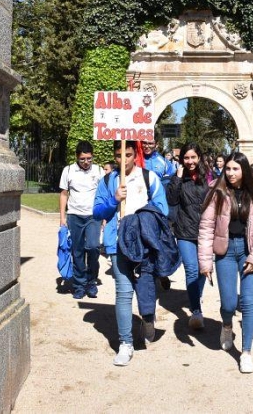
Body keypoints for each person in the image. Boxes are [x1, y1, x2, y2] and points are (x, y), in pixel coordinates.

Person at [93, 140, 168, 367]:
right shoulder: (107, 181)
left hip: (144, 244)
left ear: (135, 154)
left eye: (127, 154)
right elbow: (97, 211)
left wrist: (140, 219)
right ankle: (126, 342)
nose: (123, 160)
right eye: (118, 155)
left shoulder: (149, 178)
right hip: (117, 245)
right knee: (123, 293)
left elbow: (162, 208)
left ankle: (147, 319)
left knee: (146, 289)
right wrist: (114, 200)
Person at [198, 152, 253, 374]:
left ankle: (246, 352)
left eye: (235, 169)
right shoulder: (217, 193)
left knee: (248, 302)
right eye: (227, 169)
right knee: (229, 303)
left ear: (244, 171)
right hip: (225, 252)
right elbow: (206, 228)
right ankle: (227, 325)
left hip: (248, 252)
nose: (230, 173)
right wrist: (205, 263)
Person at [166, 142, 210, 329]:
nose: (190, 161)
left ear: (199, 157)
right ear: (181, 159)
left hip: (205, 231)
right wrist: (177, 177)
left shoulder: (209, 176)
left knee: (202, 270)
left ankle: (195, 298)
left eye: (193, 157)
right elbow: (172, 199)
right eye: (186, 157)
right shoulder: (178, 178)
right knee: (191, 269)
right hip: (184, 230)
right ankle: (196, 310)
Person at [59, 140, 104, 300]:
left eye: (89, 159)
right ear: (77, 158)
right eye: (83, 159)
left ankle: (91, 281)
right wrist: (62, 217)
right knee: (77, 251)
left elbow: (103, 194)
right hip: (74, 216)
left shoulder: (98, 171)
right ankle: (79, 285)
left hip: (93, 216)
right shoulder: (68, 170)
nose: (86, 162)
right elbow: (64, 194)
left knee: (93, 247)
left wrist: (104, 216)